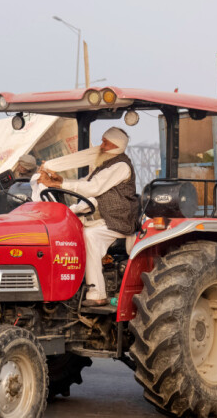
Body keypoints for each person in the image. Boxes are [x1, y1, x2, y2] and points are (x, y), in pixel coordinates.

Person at [38, 127, 138, 306]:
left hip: (118, 221)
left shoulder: (121, 166)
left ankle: (96, 293)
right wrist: (59, 181)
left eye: (106, 143)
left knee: (90, 236)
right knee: (66, 233)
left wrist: (60, 184)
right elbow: (85, 183)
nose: (101, 146)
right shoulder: (104, 164)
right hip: (103, 219)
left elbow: (93, 188)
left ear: (116, 146)